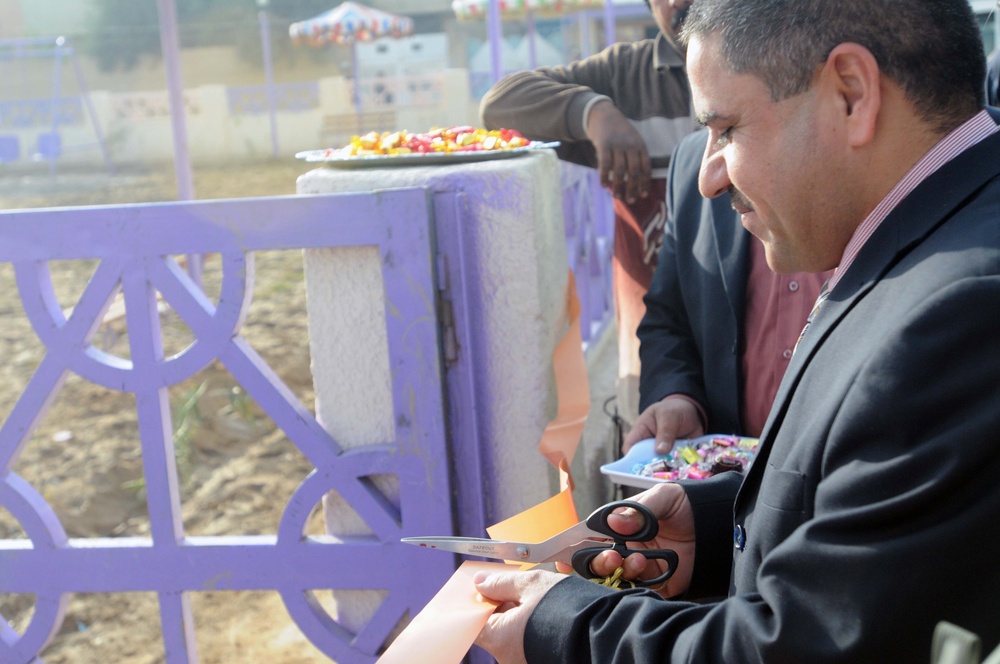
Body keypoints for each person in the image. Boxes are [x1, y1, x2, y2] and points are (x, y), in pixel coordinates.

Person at [472, 1, 1000, 661]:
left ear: (851, 94)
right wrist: (724, 524)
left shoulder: (962, 307)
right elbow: (903, 546)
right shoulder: (933, 239)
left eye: (726, 128)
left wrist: (564, 625)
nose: (708, 176)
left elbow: (807, 643)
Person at [480, 0, 696, 426]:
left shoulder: (771, 59)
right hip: (655, 351)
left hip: (761, 342)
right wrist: (595, 114)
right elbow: (499, 106)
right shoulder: (627, 77)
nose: (676, 3)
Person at [623, 128, 830, 455]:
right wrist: (678, 397)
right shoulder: (694, 164)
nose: (709, 179)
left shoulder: (875, 174)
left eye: (730, 128)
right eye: (709, 126)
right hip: (722, 485)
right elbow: (669, 318)